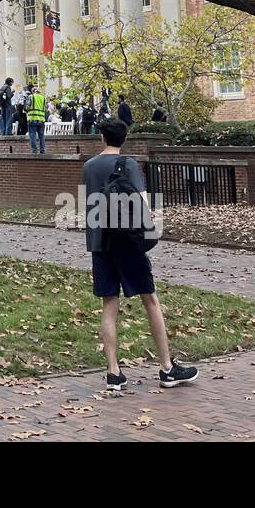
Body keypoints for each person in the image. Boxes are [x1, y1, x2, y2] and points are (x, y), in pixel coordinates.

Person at [84, 119, 198, 393]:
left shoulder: (88, 167)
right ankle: (167, 368)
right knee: (150, 300)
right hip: (127, 241)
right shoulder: (130, 165)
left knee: (109, 304)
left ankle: (113, 373)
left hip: (100, 242)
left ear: (102, 137)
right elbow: (143, 203)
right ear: (124, 139)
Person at [26, 83, 47, 154]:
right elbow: (45, 109)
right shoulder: (43, 98)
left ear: (32, 92)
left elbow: (27, 107)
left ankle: (34, 151)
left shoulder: (31, 97)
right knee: (41, 136)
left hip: (32, 118)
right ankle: (42, 150)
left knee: (32, 135)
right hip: (41, 119)